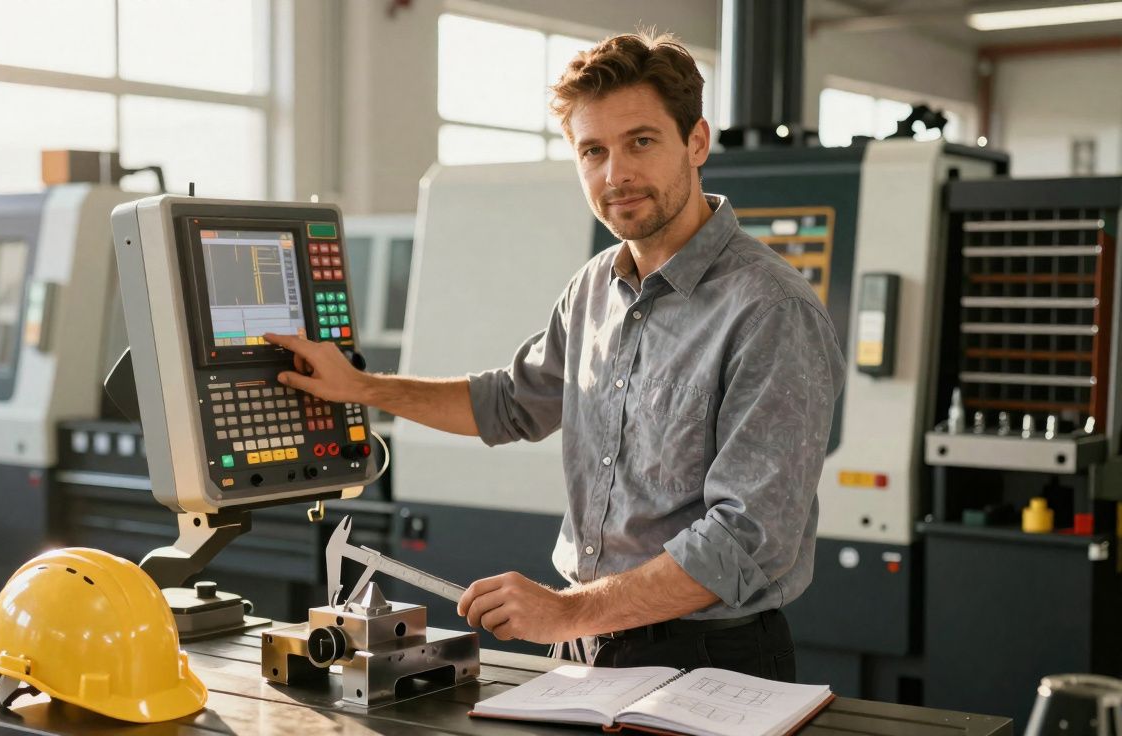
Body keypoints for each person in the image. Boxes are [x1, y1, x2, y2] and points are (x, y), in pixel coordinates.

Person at [266, 30, 844, 682]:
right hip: (588, 648)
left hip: (711, 661)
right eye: (592, 151)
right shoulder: (594, 288)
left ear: (697, 142)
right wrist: (361, 388)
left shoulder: (770, 309)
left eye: (641, 142)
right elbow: (509, 405)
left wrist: (568, 611)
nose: (615, 174)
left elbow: (745, 541)